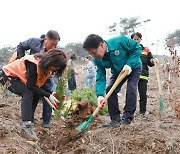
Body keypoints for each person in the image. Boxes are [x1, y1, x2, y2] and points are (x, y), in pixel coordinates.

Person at [0, 49, 67, 140]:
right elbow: (31, 86)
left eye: (58, 68)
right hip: (7, 76)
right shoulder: (33, 63)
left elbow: (40, 85)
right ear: (50, 61)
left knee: (36, 94)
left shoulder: (46, 68)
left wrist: (51, 93)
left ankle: (29, 123)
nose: (55, 69)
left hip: (18, 79)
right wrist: (48, 95)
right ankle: (26, 125)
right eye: (55, 66)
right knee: (28, 92)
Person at [83, 34, 142, 128]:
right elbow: (100, 77)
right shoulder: (97, 60)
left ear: (101, 45)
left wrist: (129, 64)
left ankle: (127, 117)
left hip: (133, 67)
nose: (93, 56)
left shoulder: (119, 41)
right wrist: (100, 96)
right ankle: (115, 120)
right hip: (118, 72)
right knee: (110, 89)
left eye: (94, 53)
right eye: (91, 54)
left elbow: (137, 48)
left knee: (131, 87)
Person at [11, 30, 60, 128]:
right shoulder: (34, 42)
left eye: (56, 45)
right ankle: (29, 119)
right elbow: (21, 46)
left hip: (45, 74)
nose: (54, 47)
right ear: (45, 39)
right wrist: (21, 60)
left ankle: (46, 121)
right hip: (32, 71)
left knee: (47, 93)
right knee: (31, 91)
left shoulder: (53, 52)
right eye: (52, 44)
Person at [131, 32, 158, 116]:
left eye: (137, 39)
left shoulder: (146, 50)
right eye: (134, 39)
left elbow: (150, 62)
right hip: (132, 76)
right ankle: (130, 112)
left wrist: (153, 61)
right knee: (132, 94)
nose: (136, 41)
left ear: (140, 40)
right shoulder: (129, 50)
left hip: (143, 76)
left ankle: (142, 111)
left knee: (143, 94)